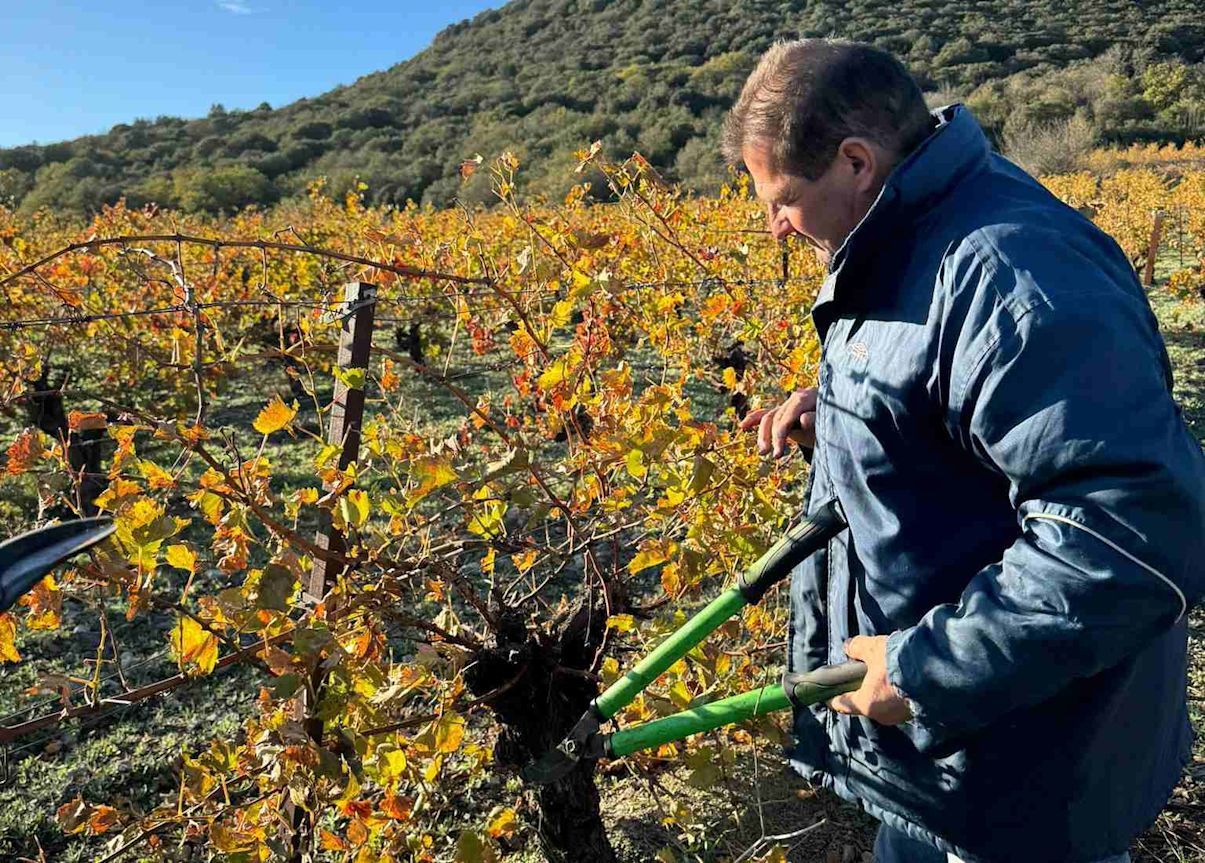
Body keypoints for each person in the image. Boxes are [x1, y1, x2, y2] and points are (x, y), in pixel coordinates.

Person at [721, 38, 1205, 863]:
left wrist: (926, 668)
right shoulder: (904, 238)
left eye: (783, 198)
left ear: (854, 162)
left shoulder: (1012, 271)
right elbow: (952, 412)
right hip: (943, 758)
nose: (773, 224)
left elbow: (1124, 535)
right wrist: (842, 417)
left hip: (1024, 765)